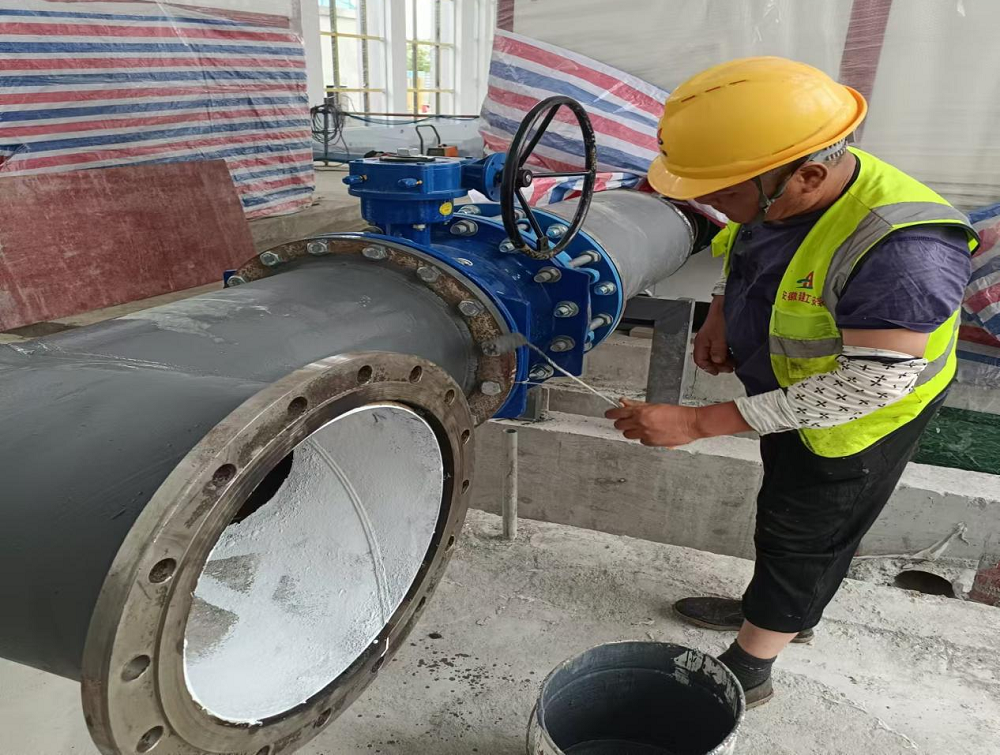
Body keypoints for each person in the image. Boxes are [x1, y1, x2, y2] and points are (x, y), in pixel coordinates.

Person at [606, 57, 978, 708]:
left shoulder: (905, 254)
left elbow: (868, 386)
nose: (714, 207)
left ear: (806, 175)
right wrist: (721, 311)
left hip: (859, 415)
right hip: (795, 392)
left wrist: (697, 421)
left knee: (804, 531)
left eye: (724, 195)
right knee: (786, 509)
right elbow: (749, 240)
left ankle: (754, 664)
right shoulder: (786, 186)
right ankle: (777, 612)